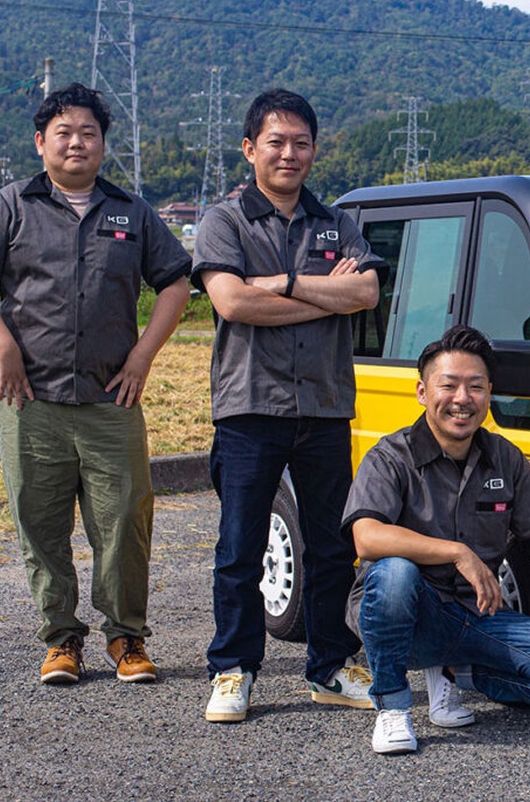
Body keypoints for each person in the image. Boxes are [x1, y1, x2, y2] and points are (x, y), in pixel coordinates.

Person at [0, 82, 191, 685]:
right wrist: (2, 345)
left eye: (89, 132)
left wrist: (142, 357)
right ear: (41, 143)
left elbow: (176, 285)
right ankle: (60, 638)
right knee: (40, 520)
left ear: (103, 143)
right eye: (64, 132)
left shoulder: (131, 213)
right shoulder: (11, 206)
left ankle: (125, 635)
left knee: (125, 521)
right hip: (31, 401)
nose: (77, 141)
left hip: (112, 399)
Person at [193, 88, 386, 723]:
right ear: (250, 149)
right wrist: (325, 293)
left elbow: (366, 293)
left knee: (333, 545)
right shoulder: (225, 221)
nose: (289, 153)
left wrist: (286, 283)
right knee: (241, 546)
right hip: (249, 405)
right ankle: (233, 669)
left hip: (326, 407)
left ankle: (330, 666)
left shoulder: (335, 222)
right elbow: (233, 304)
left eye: (301, 142)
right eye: (276, 142)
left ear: (314, 150)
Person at [341, 325, 530, 755]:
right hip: (406, 617)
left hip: (473, 617)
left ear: (489, 393)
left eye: (475, 387)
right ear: (423, 392)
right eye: (449, 385)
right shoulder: (390, 456)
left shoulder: (505, 458)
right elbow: (366, 538)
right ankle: (392, 705)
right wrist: (457, 553)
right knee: (394, 572)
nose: (462, 398)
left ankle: (457, 673)